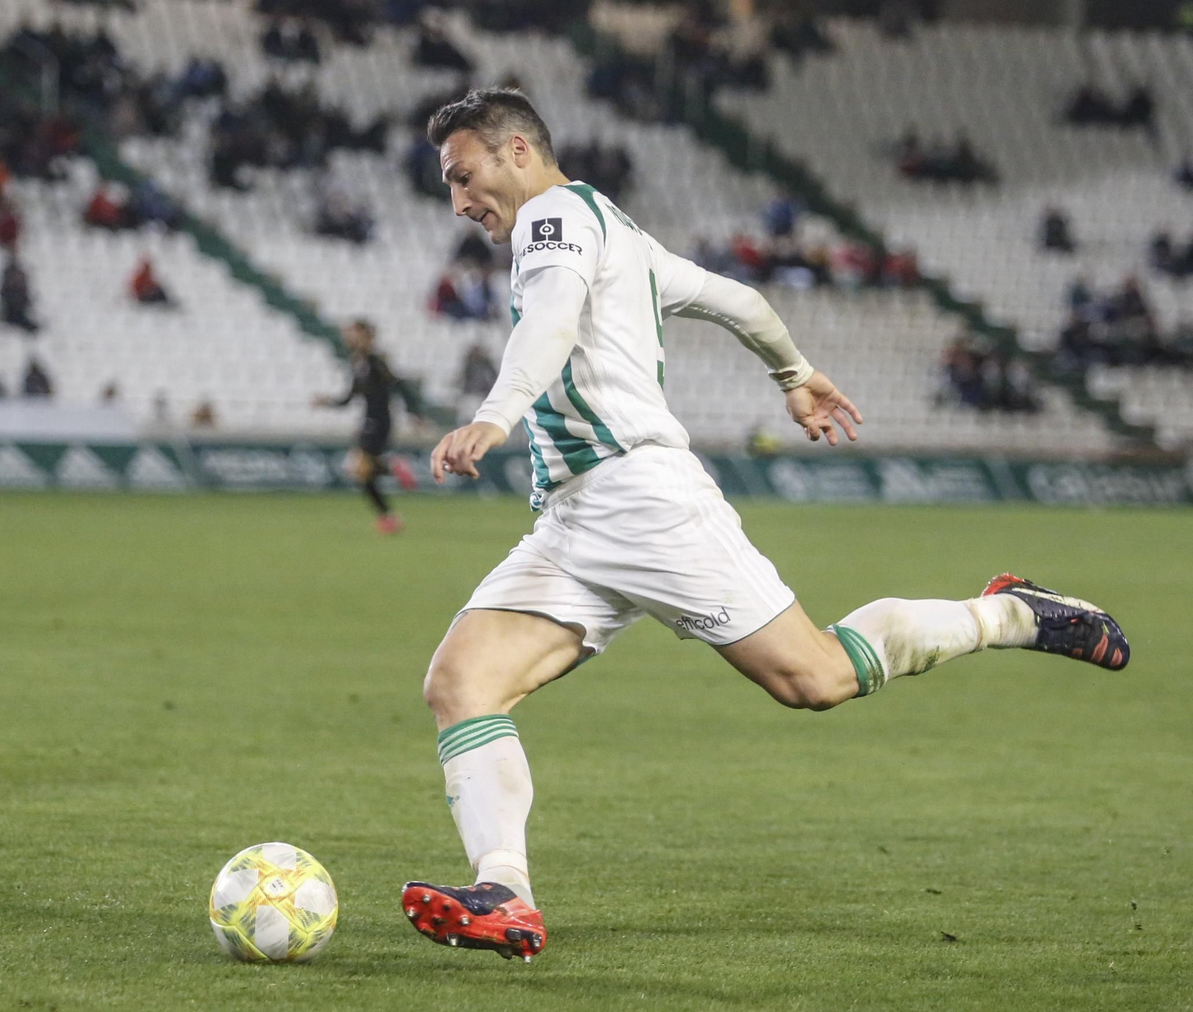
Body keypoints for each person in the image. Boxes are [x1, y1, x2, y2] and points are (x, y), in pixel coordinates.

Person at [402, 88, 1131, 961]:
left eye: (463, 173)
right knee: (461, 685)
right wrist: (794, 371)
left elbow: (557, 315)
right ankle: (504, 894)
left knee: (815, 678)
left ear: (518, 151)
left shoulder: (553, 217)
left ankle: (1009, 613)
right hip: (573, 516)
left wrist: (499, 410)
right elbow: (734, 298)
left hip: (641, 501)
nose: (458, 201)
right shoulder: (616, 230)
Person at [313, 320, 417, 533]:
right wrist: (328, 402)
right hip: (369, 421)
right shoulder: (358, 362)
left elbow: (398, 384)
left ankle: (392, 472)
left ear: (367, 336)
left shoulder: (376, 362)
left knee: (359, 470)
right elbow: (350, 398)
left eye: (354, 333)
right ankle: (388, 514)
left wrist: (413, 412)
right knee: (362, 474)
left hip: (379, 422)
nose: (349, 337)